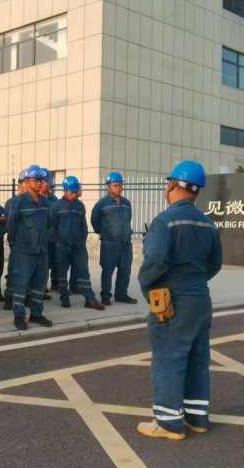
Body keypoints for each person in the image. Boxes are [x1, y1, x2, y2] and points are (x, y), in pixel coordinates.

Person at [137, 160, 222, 440]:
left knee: (169, 359)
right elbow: (215, 264)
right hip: (200, 299)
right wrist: (194, 281)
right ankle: (198, 417)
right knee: (197, 359)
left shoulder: (165, 221)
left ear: (173, 184)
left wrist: (147, 286)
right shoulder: (208, 224)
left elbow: (155, 261)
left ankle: (169, 423)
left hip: (173, 300)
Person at [6, 165, 53, 330]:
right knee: (21, 284)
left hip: (41, 250)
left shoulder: (45, 202)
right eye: (35, 180)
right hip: (24, 251)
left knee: (40, 283)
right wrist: (16, 243)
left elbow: (49, 223)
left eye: (41, 180)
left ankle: (36, 314)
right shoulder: (19, 202)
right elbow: (11, 225)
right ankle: (19, 316)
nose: (39, 183)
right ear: (26, 182)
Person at [53, 177, 105, 310]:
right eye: (72, 192)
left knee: (83, 272)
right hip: (62, 246)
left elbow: (84, 226)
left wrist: (81, 241)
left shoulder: (80, 206)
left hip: (78, 247)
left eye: (75, 192)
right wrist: (59, 241)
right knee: (62, 273)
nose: (74, 195)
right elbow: (52, 227)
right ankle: (64, 297)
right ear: (65, 191)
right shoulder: (56, 206)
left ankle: (90, 299)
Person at [91, 171, 136, 305]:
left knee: (125, 270)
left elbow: (128, 220)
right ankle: (105, 295)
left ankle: (121, 294)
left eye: (120, 185)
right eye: (116, 185)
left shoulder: (126, 203)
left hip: (125, 243)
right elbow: (95, 220)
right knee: (108, 270)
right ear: (108, 187)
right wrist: (105, 233)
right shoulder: (102, 204)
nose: (119, 188)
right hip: (109, 244)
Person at [3, 170, 29, 311]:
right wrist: (13, 240)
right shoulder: (12, 202)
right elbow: (10, 224)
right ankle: (9, 298)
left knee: (27, 273)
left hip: (30, 245)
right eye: (26, 182)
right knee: (14, 272)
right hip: (18, 244)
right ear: (20, 184)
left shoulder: (33, 202)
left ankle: (24, 297)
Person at [40, 169, 59, 300]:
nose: (49, 186)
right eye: (47, 183)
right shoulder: (35, 199)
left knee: (52, 263)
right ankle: (39, 288)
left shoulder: (53, 199)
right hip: (40, 239)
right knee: (42, 265)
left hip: (53, 237)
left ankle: (52, 285)